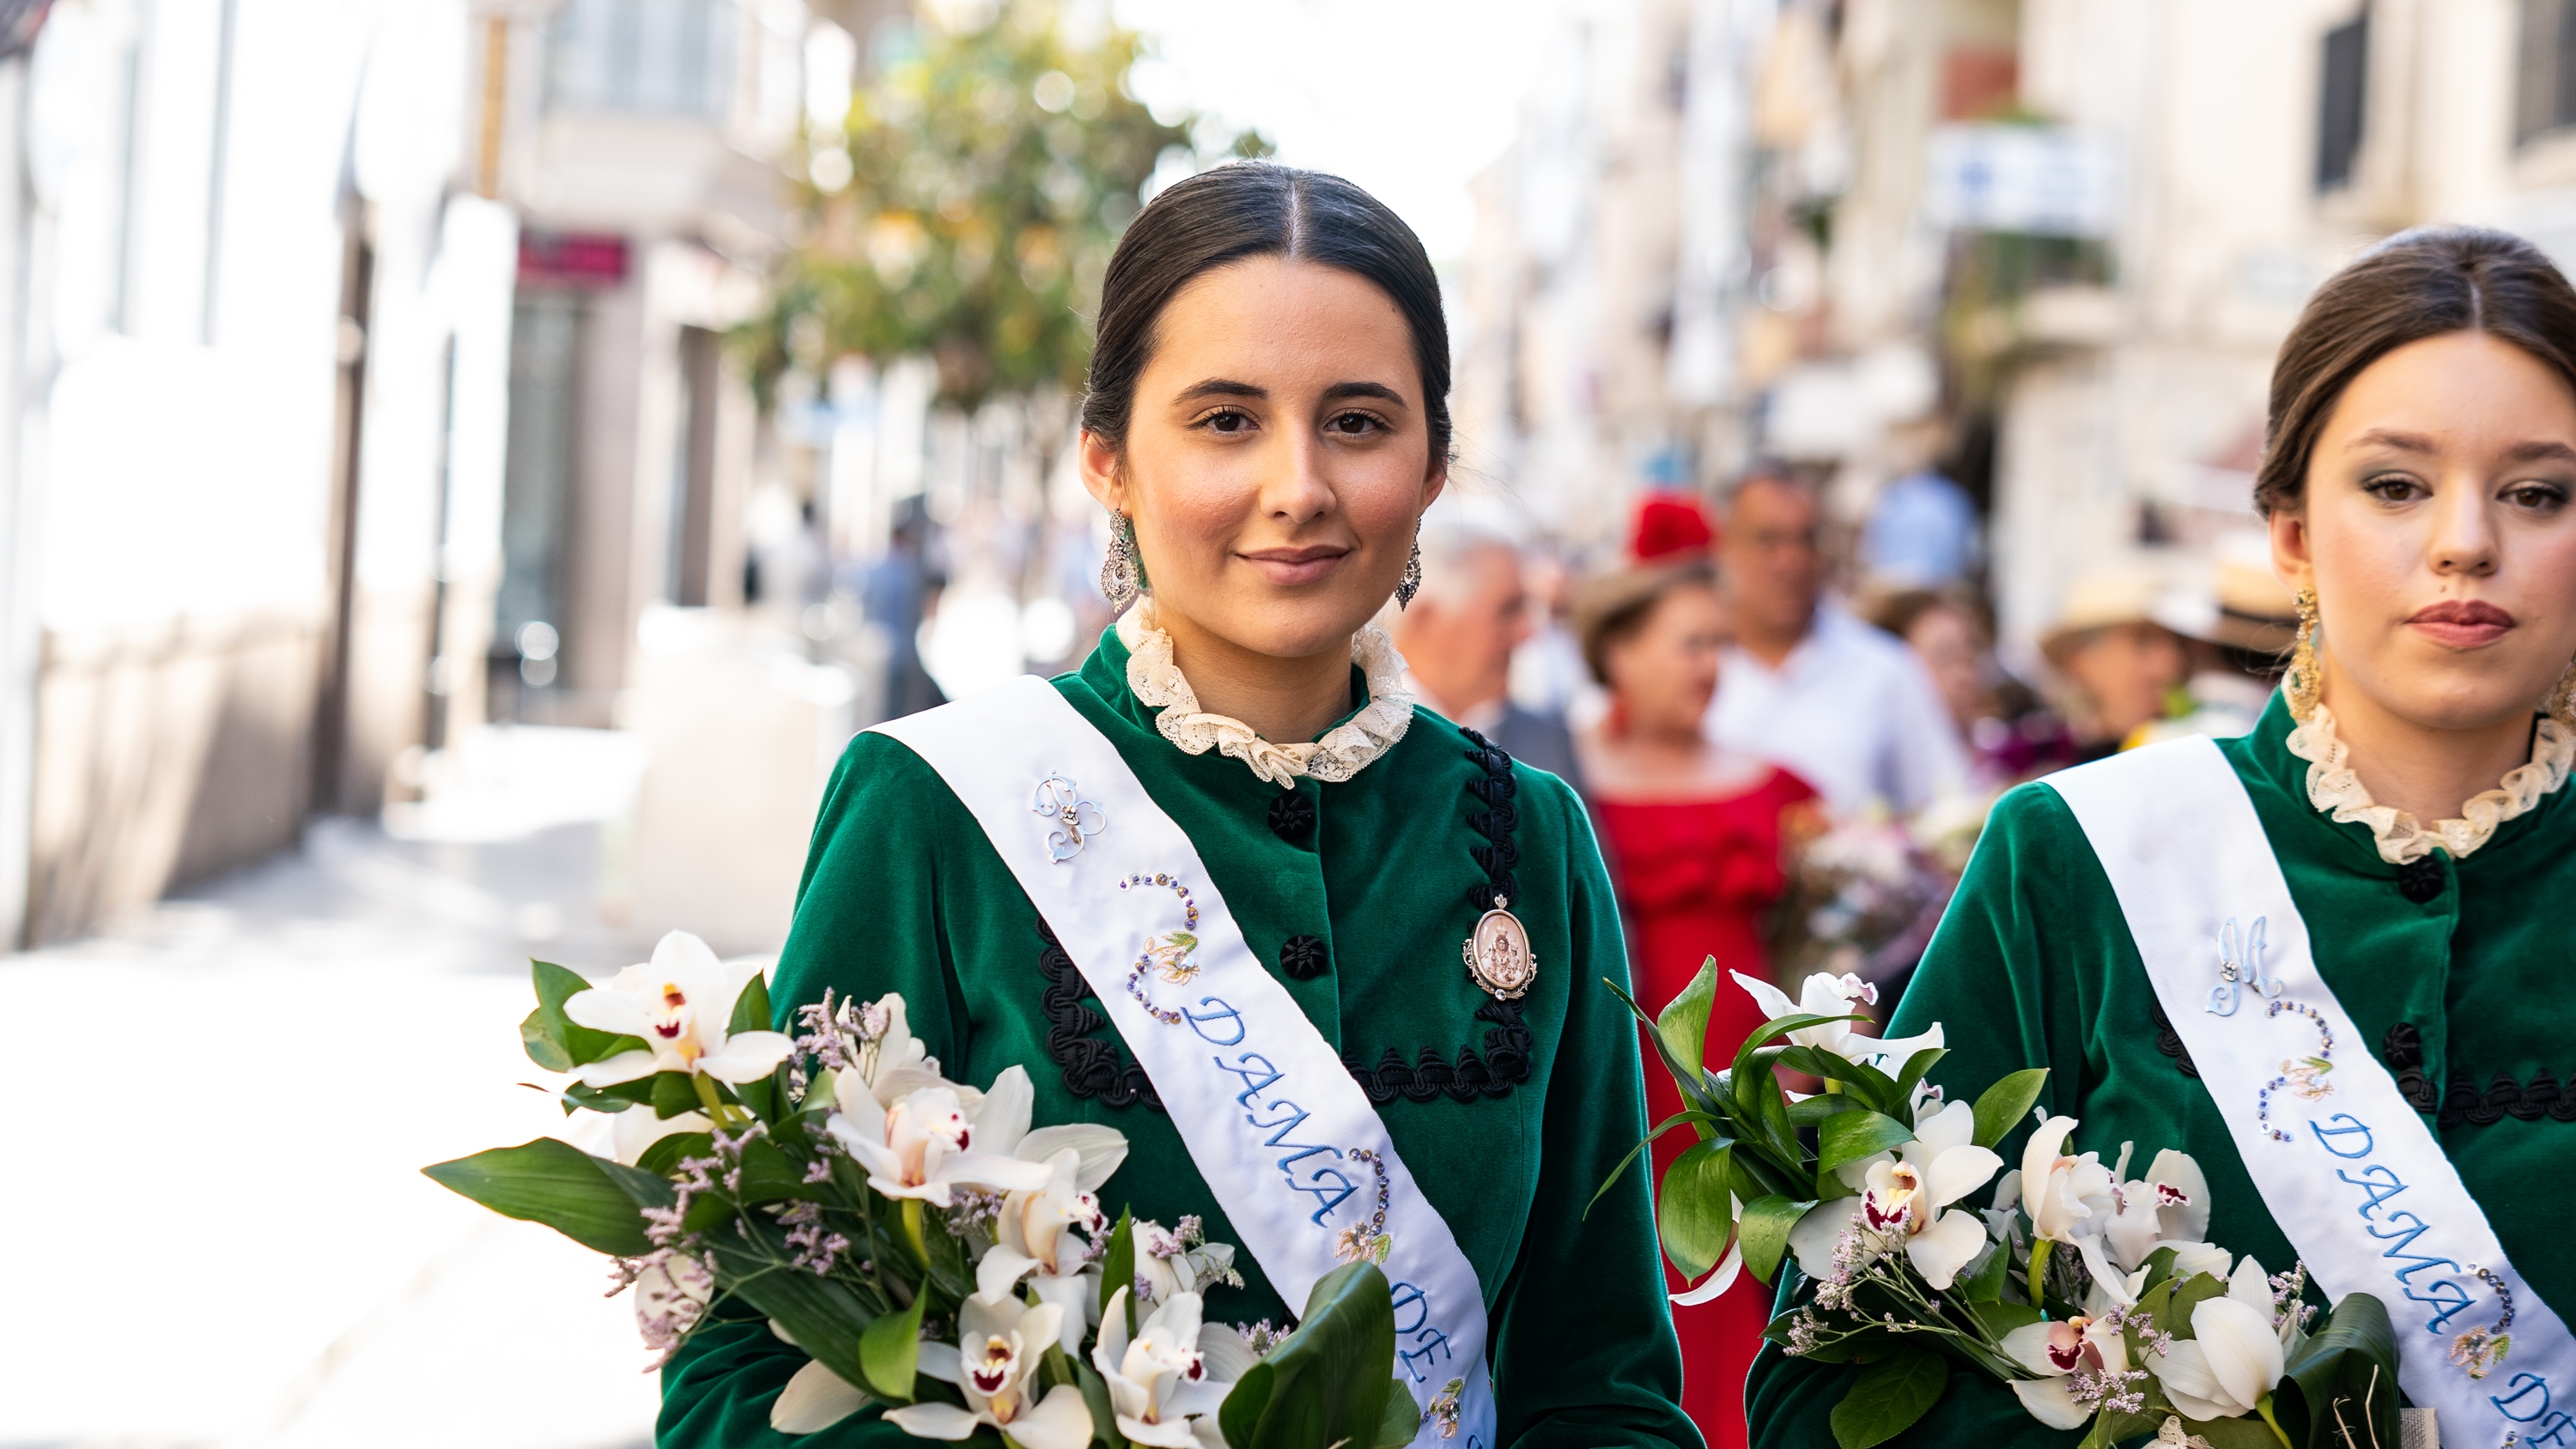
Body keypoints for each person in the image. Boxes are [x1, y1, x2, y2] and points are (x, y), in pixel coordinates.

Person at [660, 163, 1696, 1448]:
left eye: (1360, 423)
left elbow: (1600, 1381)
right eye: (1224, 420)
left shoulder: (1526, 834)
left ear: (1432, 465)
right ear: (1109, 458)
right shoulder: (935, 808)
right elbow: (747, 1381)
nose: (1299, 486)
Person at [1748, 226, 2576, 1446]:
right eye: (2394, 484)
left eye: (2539, 492)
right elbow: (1831, 1389)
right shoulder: (2082, 858)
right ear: (2290, 531)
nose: (2466, 541)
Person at [1573, 561, 1817, 1448]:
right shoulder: (1563, 776)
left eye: (1720, 642)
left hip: (1754, 1076)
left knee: (1752, 1268)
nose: (1710, 663)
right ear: (1620, 651)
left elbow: (1828, 931)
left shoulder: (1774, 783)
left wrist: (1819, 1042)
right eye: (1690, 642)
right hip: (1629, 1065)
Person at [1707, 470, 1969, 815]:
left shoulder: (1885, 670)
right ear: (1724, 547)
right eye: (1767, 540)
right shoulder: (1694, 668)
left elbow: (1947, 807)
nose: (1791, 561)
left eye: (1807, 539)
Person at [1392, 516, 1587, 791]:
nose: (1527, 633)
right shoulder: (1353, 741)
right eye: (1507, 610)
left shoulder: (1547, 739)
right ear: (1427, 620)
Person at [2037, 562, 2192, 762]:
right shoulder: (2053, 773)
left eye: (2181, 644)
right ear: (2081, 660)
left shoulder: (2201, 752)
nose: (2171, 665)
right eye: (2143, 641)